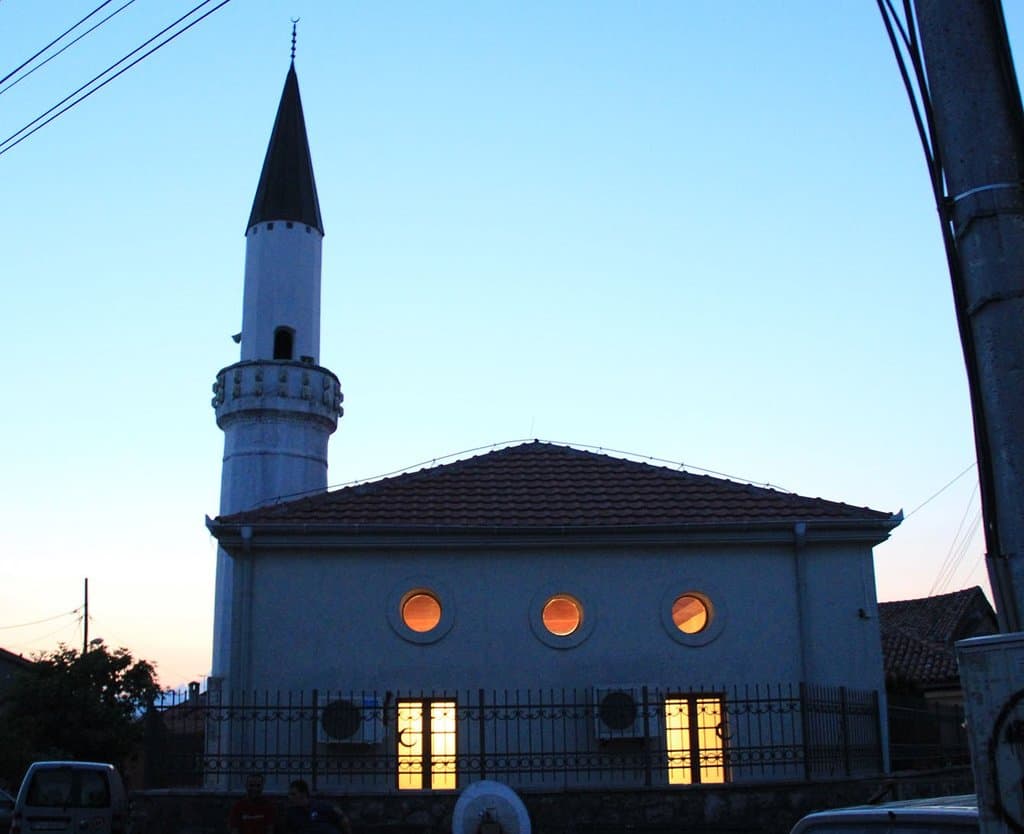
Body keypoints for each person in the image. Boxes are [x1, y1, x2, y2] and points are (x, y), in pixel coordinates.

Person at [283, 780, 350, 834]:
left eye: (293, 794)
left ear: (303, 794)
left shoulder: (320, 805)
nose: (290, 797)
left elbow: (342, 817)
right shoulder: (291, 812)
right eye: (289, 794)